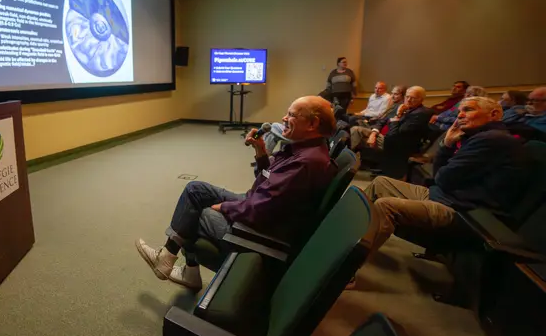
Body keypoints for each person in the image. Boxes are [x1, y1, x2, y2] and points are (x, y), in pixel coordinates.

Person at [135, 96, 337, 291]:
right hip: (263, 210)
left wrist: (224, 207)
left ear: (313, 123)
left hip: (259, 232)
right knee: (196, 190)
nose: (284, 118)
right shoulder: (305, 151)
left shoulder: (305, 163)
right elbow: (266, 181)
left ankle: (174, 263)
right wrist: (261, 152)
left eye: (291, 114)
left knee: (195, 212)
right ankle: (183, 268)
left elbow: (259, 209)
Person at [362, 97, 530, 260]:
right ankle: (355, 236)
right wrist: (446, 145)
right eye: (459, 111)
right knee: (381, 183)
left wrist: (446, 148)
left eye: (468, 110)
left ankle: (351, 264)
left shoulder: (492, 139)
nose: (460, 115)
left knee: (386, 206)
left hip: (463, 210)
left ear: (493, 114)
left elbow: (443, 178)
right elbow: (440, 177)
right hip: (445, 196)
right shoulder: (477, 136)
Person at [349, 85, 405, 151]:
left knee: (355, 128)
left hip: (382, 133)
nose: (392, 96)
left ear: (403, 96)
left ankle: (351, 153)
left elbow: (385, 122)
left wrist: (374, 133)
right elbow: (382, 119)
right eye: (392, 93)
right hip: (376, 125)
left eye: (396, 94)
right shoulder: (394, 105)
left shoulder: (401, 108)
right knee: (355, 120)